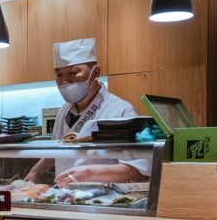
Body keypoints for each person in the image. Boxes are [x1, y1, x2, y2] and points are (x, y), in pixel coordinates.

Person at [24, 38, 149, 186]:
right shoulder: (64, 110)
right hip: (65, 199)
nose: (64, 81)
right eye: (59, 75)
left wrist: (89, 173)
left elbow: (138, 171)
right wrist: (35, 172)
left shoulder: (121, 110)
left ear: (96, 72)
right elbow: (57, 150)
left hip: (104, 200)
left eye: (73, 72)